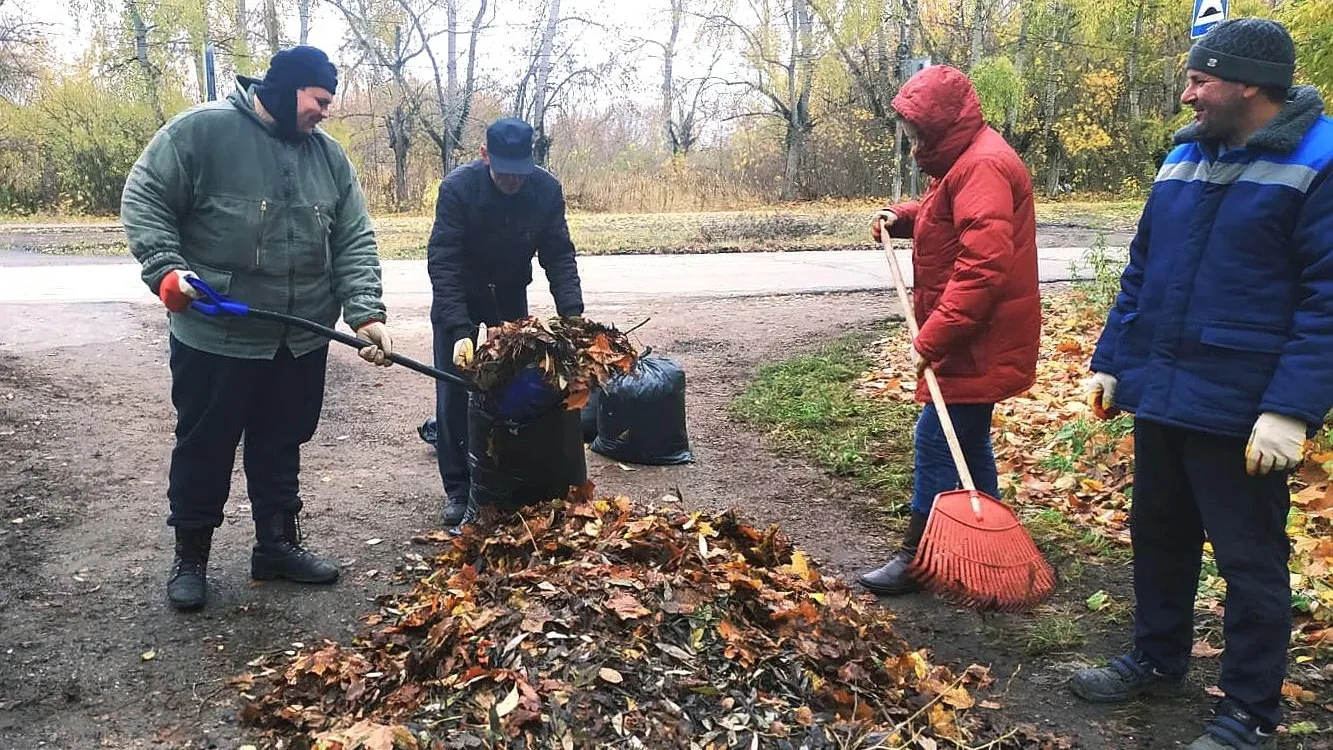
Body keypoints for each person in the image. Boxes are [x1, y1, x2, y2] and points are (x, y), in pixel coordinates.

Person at [1073, 18, 1333, 750]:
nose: (1186, 94)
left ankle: (1247, 712)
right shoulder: (1182, 158)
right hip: (1161, 390)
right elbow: (1141, 271)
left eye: (1199, 80)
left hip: (1242, 407)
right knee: (1158, 534)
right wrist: (1111, 359)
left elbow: (1327, 298)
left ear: (1248, 83)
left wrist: (1289, 409)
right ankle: (1157, 661)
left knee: (1248, 562)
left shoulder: (1320, 161)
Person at [121, 45, 395, 612]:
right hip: (218, 333)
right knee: (206, 445)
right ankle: (190, 557)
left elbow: (353, 239)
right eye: (319, 100)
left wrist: (365, 312)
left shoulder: (329, 158)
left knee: (281, 443)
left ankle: (276, 547)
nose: (325, 111)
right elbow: (144, 196)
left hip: (298, 336)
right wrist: (165, 268)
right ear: (287, 88)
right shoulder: (203, 132)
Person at [856, 64, 1041, 595]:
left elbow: (983, 267)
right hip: (976, 334)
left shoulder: (982, 165)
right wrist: (905, 216)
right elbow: (951, 212)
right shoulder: (967, 159)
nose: (913, 143)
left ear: (940, 126)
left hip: (975, 338)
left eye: (917, 133)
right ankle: (991, 545)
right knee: (968, 438)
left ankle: (918, 557)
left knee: (938, 439)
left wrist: (933, 337)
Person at [426, 117, 585, 528]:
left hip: (510, 293)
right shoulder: (458, 189)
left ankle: (506, 476)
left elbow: (559, 254)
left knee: (512, 386)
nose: (513, 181)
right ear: (484, 156)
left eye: (520, 173)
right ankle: (459, 489)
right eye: (504, 172)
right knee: (455, 390)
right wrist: (459, 330)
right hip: (459, 293)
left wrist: (573, 314)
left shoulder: (545, 191)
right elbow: (443, 260)